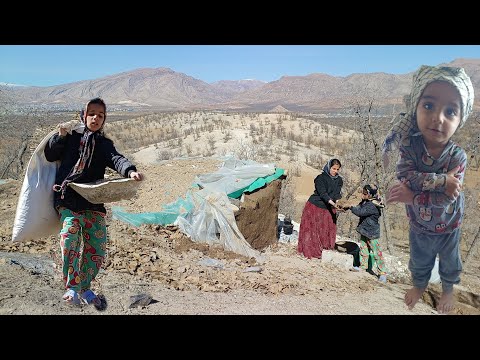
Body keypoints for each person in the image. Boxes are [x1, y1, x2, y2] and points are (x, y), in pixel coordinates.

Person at [383, 65, 474, 314]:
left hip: (449, 223)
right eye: (429, 106)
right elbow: (406, 175)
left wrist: (412, 196)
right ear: (415, 106)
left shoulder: (458, 157)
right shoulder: (409, 146)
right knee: (419, 260)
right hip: (419, 224)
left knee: (450, 260)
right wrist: (442, 181)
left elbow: (445, 200)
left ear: (460, 119)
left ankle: (447, 289)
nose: (438, 118)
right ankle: (420, 286)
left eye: (450, 111)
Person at [44, 97, 143, 310]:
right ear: (83, 115)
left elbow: (117, 159)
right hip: (68, 198)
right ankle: (72, 286)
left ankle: (85, 287)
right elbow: (50, 154)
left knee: (96, 247)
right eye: (92, 113)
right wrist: (59, 138)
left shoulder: (104, 144)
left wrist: (131, 171)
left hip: (93, 201)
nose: (96, 118)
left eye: (100, 115)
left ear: (104, 119)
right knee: (70, 239)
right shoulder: (70, 138)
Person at [297, 159, 343, 258]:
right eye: (333, 168)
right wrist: (332, 203)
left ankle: (325, 251)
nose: (335, 171)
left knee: (327, 229)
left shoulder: (339, 180)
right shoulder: (320, 178)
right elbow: (323, 194)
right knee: (312, 229)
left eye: (337, 169)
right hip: (315, 206)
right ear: (328, 167)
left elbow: (337, 194)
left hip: (329, 208)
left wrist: (338, 204)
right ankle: (311, 251)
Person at [342, 184, 388, 283]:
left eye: (365, 193)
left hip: (372, 232)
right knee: (364, 250)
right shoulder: (366, 202)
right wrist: (348, 207)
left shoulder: (373, 205)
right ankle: (363, 267)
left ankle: (382, 273)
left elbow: (360, 212)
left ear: (370, 194)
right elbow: (358, 207)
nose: (363, 195)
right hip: (365, 230)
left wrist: (350, 207)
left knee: (376, 253)